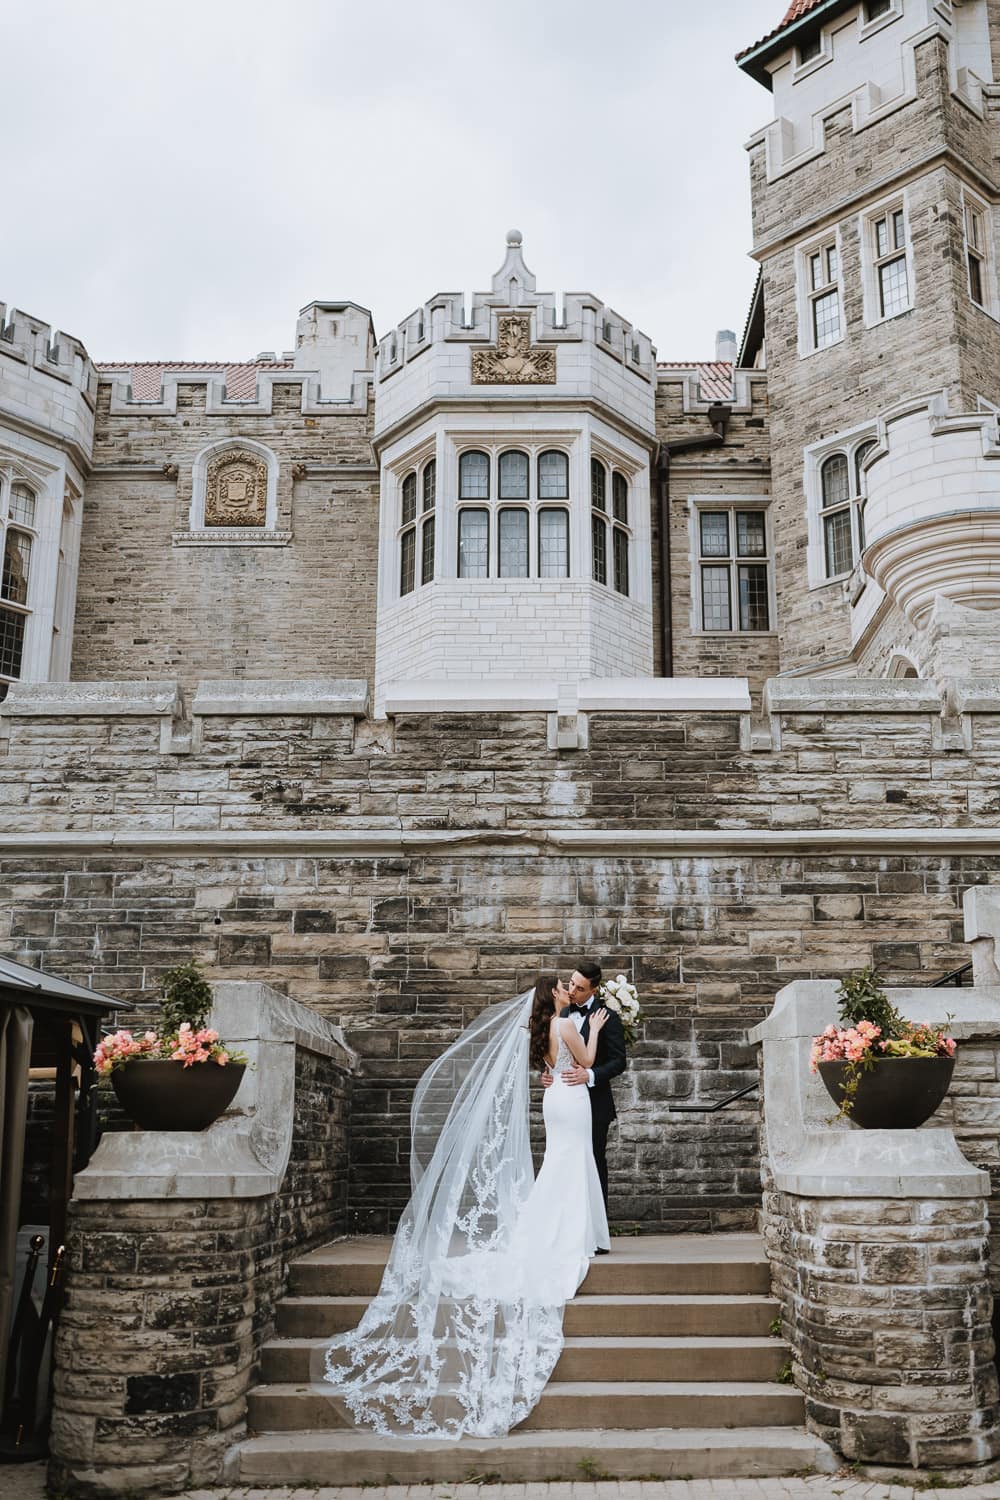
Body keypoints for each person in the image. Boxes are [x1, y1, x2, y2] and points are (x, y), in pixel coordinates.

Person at [317, 973, 613, 1440]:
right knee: (570, 1164)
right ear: (553, 996)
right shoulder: (567, 1026)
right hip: (573, 1099)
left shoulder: (540, 1031)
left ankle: (557, 1229)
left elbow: (553, 1068)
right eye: (560, 986)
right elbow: (589, 1060)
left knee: (559, 1163)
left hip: (553, 1099)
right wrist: (593, 1030)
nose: (565, 988)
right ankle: (566, 1235)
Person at [542, 960, 627, 1231]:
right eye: (570, 983)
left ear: (593, 990)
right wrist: (548, 1074)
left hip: (594, 1102)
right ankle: (564, 1226)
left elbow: (618, 1061)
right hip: (565, 1102)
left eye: (579, 988)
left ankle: (593, 1231)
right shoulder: (560, 1014)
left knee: (592, 1163)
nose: (572, 990)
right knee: (564, 1160)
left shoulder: (607, 1017)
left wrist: (588, 1076)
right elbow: (553, 1055)